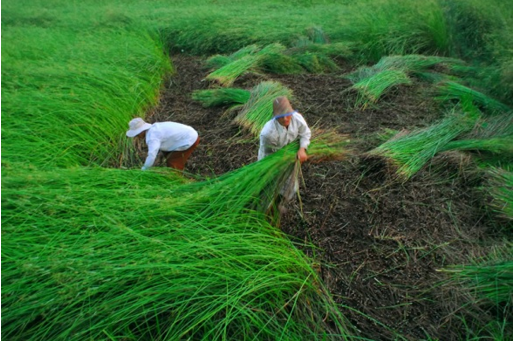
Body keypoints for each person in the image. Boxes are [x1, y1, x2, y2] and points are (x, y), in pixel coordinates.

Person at [258, 96, 311, 207]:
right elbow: (271, 155)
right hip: (271, 159)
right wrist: (286, 158)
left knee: (289, 182)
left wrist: (302, 149)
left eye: (288, 114)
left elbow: (305, 133)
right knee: (271, 182)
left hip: (289, 156)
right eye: (282, 117)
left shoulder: (297, 119)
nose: (286, 119)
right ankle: (268, 206)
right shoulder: (268, 133)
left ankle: (281, 202)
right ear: (275, 117)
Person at [126, 117, 199, 171]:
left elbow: (152, 155)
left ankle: (176, 180)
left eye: (137, 134)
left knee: (173, 162)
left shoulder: (152, 137)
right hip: (187, 133)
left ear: (141, 131)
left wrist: (144, 169)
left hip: (189, 139)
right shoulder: (155, 127)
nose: (137, 137)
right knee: (168, 155)